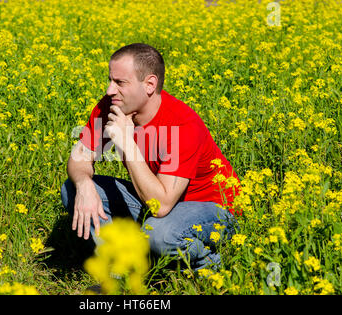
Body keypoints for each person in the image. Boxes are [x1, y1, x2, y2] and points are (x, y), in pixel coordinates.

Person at [60, 43, 241, 271]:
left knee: (158, 234)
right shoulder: (112, 106)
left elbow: (161, 206)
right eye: (110, 80)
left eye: (120, 83)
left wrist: (126, 143)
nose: (109, 90)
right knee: (72, 189)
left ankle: (205, 262)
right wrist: (84, 183)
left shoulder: (182, 124)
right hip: (157, 198)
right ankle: (120, 268)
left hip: (209, 209)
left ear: (150, 85)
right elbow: (79, 157)